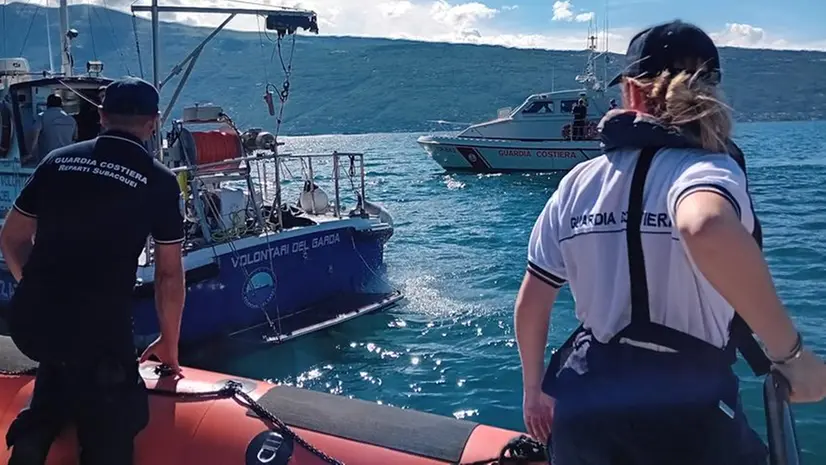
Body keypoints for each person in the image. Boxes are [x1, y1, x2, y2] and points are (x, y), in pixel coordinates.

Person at [514, 19, 826, 465]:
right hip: (684, 416)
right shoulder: (707, 172)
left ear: (633, 93)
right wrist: (792, 356)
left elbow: (533, 299)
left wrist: (533, 391)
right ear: (712, 91)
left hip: (586, 409)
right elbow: (706, 227)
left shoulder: (579, 182)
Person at [0, 77, 186, 464]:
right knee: (115, 425)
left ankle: (35, 431)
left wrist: (29, 284)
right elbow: (168, 275)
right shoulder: (160, 181)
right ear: (153, 122)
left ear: (101, 117)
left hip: (33, 324)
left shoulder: (57, 161)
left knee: (58, 373)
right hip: (99, 332)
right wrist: (169, 343)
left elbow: (12, 237)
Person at [25, 94, 77, 165]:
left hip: (47, 159)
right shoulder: (71, 119)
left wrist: (30, 153)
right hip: (66, 159)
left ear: (47, 104)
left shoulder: (41, 116)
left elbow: (35, 135)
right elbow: (75, 138)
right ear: (61, 104)